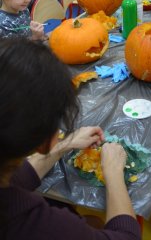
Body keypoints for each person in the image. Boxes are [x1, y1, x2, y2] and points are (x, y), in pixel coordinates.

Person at [0, 38, 141, 240]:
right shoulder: (38, 226)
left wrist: (65, 144)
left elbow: (19, 179)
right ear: (45, 142)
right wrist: (113, 173)